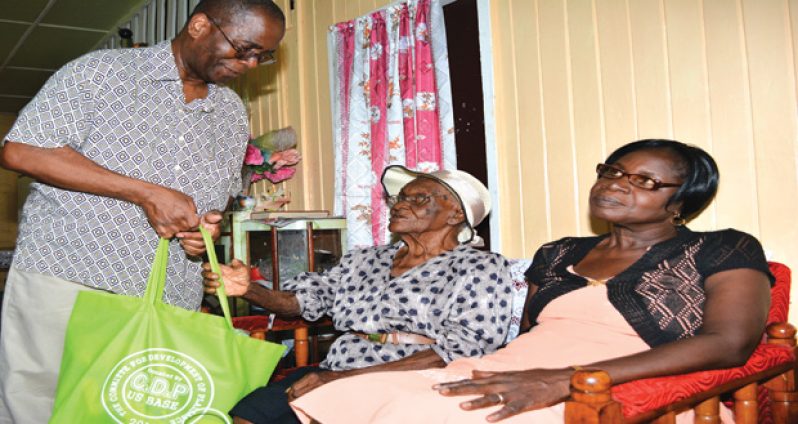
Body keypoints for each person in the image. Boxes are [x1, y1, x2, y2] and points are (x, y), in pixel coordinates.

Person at [288, 139, 774, 423]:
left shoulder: (722, 247)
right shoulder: (560, 252)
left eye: (644, 180)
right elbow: (527, 336)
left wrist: (562, 381)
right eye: (612, 171)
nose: (615, 183)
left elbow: (728, 344)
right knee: (348, 397)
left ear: (681, 202)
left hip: (616, 389)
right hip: (505, 370)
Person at [0, 1, 286, 422]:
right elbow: (21, 150)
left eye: (263, 55)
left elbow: (212, 207)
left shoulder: (231, 115)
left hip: (167, 298)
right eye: (243, 48)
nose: (250, 64)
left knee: (135, 413)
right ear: (200, 25)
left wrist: (203, 229)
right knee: (41, 408)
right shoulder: (100, 73)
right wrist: (146, 193)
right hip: (70, 280)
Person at [201, 165, 514, 424]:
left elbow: (463, 351)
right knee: (244, 416)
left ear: (456, 215)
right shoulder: (365, 259)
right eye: (400, 198)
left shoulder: (480, 267)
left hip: (410, 380)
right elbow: (304, 300)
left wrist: (344, 379)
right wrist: (250, 289)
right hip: (336, 368)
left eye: (419, 199)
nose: (401, 204)